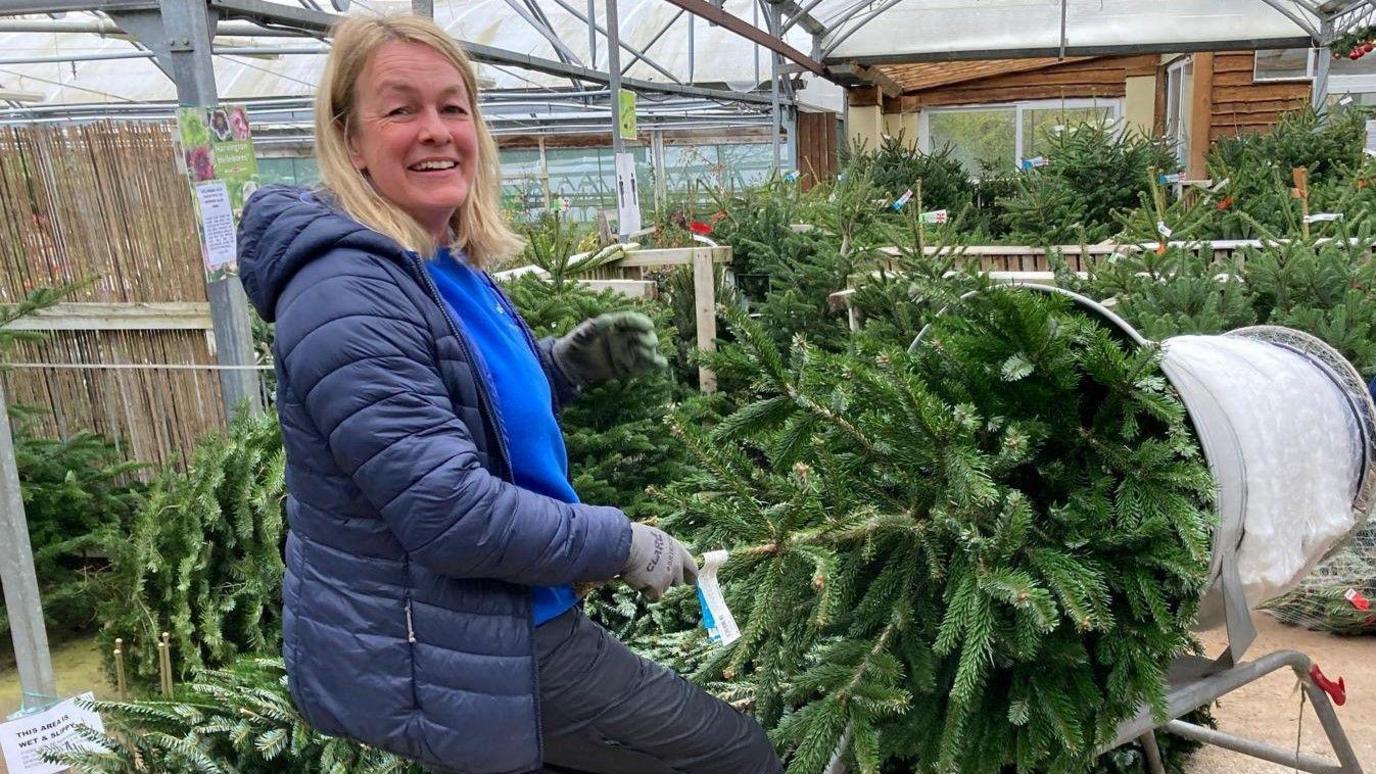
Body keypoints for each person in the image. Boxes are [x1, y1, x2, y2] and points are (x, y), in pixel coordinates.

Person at [236, 13, 781, 774]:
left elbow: (471, 405)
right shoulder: (345, 293)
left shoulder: (439, 261)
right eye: (401, 110)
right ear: (350, 141)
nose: (435, 130)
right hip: (471, 641)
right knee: (733, 755)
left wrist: (568, 364)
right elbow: (449, 512)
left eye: (453, 107)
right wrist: (621, 543)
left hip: (507, 613)